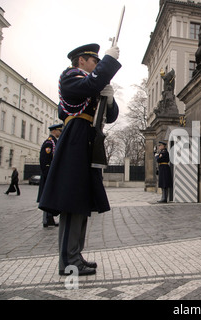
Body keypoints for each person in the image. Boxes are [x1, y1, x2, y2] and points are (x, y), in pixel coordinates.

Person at [39, 43, 121, 276]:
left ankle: (75, 255)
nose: (97, 66)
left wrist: (110, 99)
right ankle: (68, 260)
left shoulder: (89, 84)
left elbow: (111, 116)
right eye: (94, 61)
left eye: (98, 62)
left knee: (81, 202)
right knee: (71, 201)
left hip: (86, 139)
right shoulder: (70, 77)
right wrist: (109, 60)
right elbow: (92, 83)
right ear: (81, 61)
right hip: (75, 138)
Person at [38, 123, 63, 227]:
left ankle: (50, 218)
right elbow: (45, 161)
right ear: (54, 131)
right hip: (48, 174)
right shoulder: (49, 143)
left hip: (51, 174)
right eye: (59, 131)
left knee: (50, 196)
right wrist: (48, 174)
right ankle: (46, 219)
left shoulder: (54, 142)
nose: (60, 133)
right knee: (47, 196)